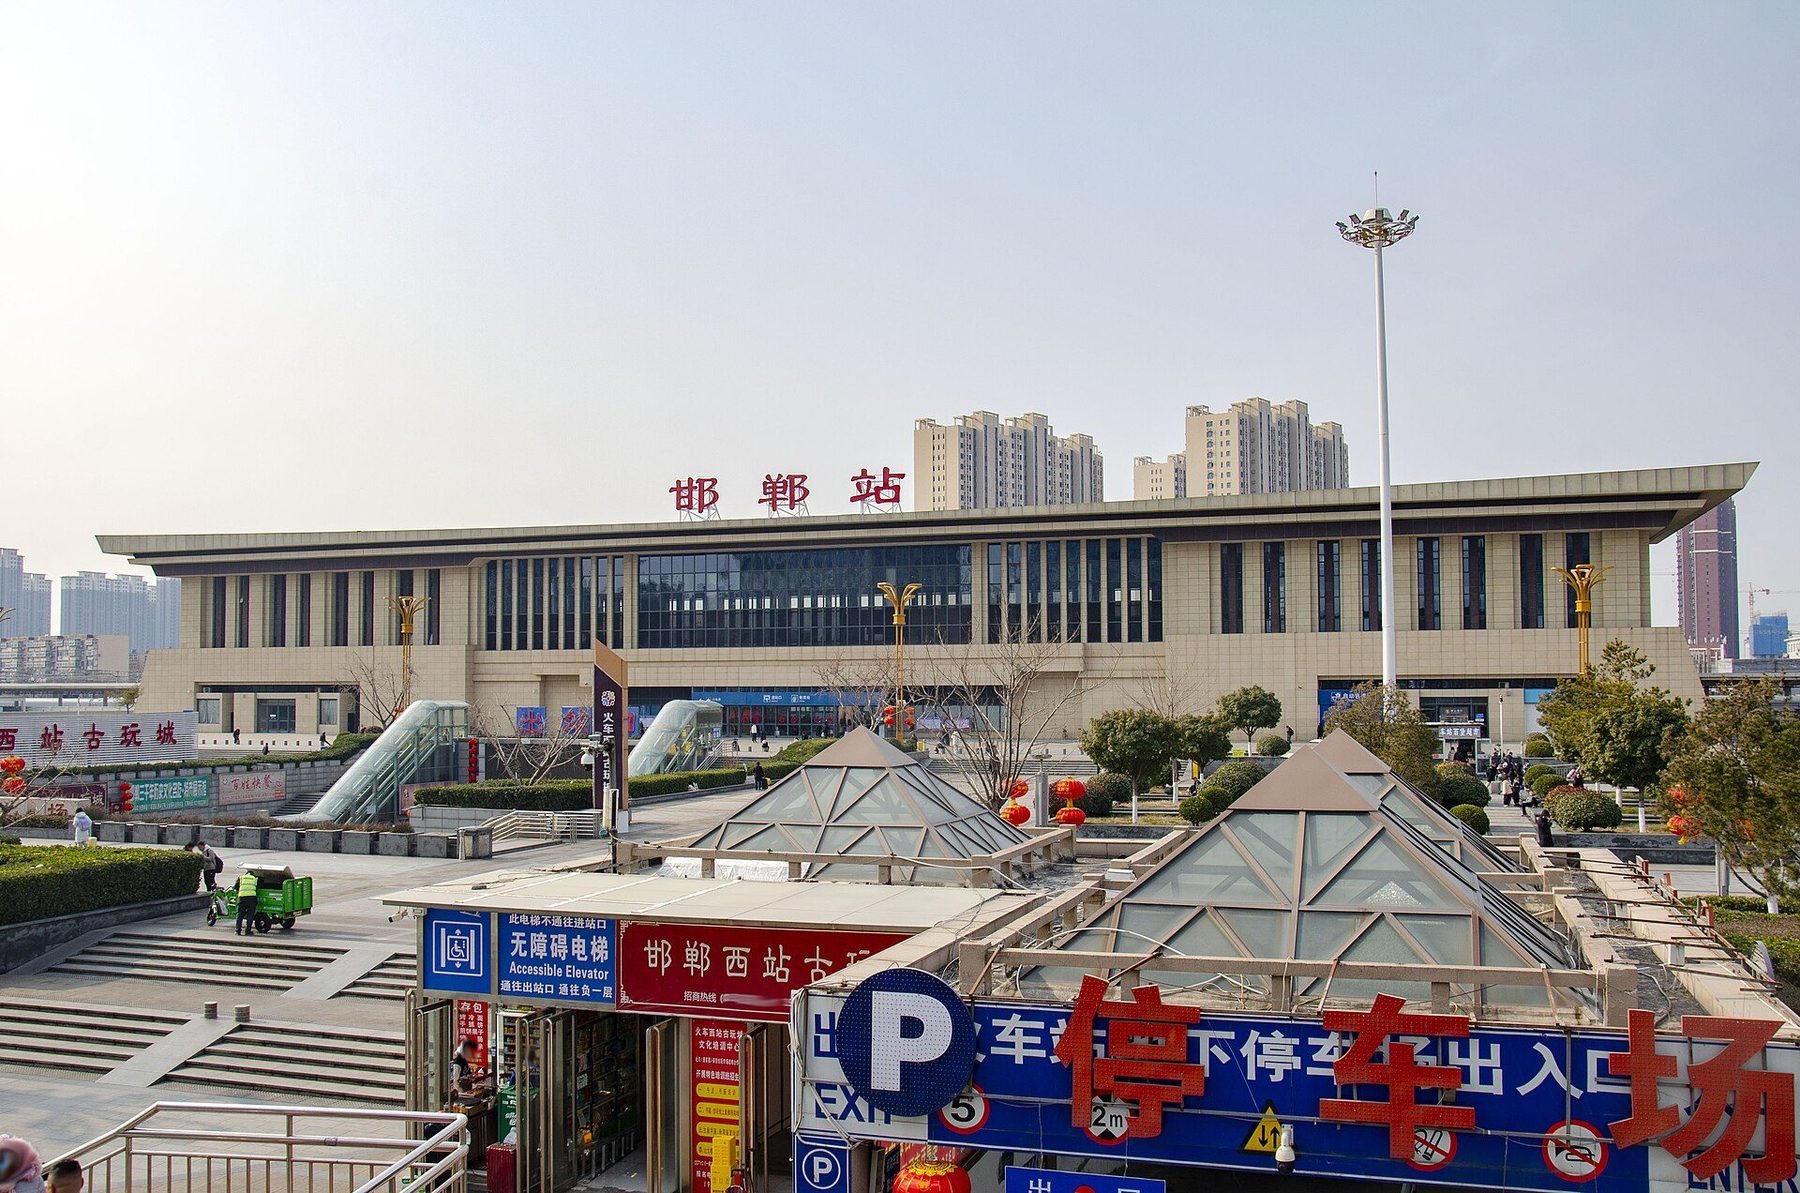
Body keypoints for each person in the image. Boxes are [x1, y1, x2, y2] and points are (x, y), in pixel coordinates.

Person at [234, 869, 260, 937]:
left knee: (239, 914)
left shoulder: (241, 878)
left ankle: (237, 931)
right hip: (251, 898)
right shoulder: (255, 879)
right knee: (250, 915)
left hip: (242, 897)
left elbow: (236, 887)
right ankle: (248, 931)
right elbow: (258, 887)